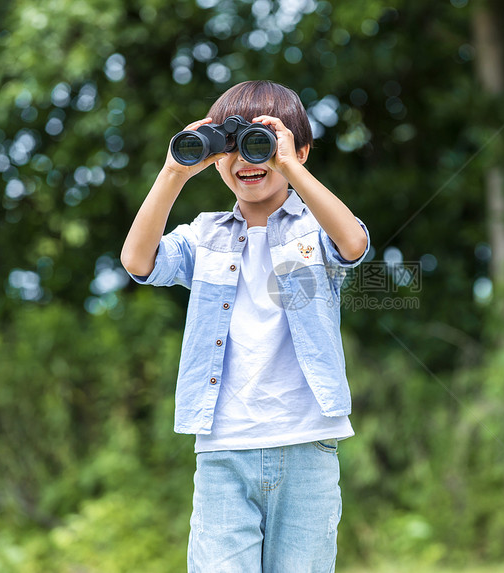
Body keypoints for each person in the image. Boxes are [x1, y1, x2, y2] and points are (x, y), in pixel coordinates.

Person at [120, 80, 370, 572]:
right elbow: (138, 261)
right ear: (216, 159)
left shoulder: (311, 231)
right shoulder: (205, 234)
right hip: (223, 447)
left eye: (262, 142)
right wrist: (174, 171)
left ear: (300, 150)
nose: (244, 158)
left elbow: (354, 244)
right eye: (230, 148)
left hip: (306, 443)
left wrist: (288, 168)